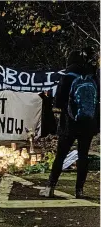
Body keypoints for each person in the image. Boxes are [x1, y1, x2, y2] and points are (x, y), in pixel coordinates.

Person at [40, 50, 100, 199]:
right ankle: (79, 191)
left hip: (70, 124)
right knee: (83, 155)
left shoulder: (68, 77)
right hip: (88, 123)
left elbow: (59, 102)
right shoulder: (93, 77)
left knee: (61, 155)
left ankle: (50, 187)